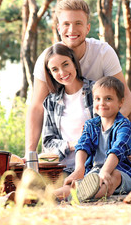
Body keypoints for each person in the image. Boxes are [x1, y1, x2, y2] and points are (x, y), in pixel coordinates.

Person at [26, 0, 131, 167]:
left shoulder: (103, 52)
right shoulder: (48, 59)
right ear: (58, 27)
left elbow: (125, 97)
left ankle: (126, 162)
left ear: (88, 27)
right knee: (43, 167)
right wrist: (29, 155)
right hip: (66, 131)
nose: (72, 29)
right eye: (66, 24)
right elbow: (37, 107)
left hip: (100, 119)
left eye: (78, 23)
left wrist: (105, 129)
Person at [54, 76, 131, 201]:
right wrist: (79, 169)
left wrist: (105, 171)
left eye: (108, 99)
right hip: (94, 174)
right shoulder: (91, 124)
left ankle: (79, 196)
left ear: (121, 102)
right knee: (75, 183)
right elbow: (82, 146)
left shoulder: (124, 125)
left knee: (113, 175)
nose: (102, 103)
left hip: (121, 173)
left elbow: (118, 149)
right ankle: (42, 197)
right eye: (97, 99)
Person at [42, 43, 95, 174]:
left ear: (74, 62)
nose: (62, 73)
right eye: (55, 69)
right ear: (50, 73)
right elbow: (47, 144)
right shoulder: (51, 101)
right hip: (62, 169)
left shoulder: (96, 91)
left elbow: (113, 127)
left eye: (65, 64)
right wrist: (72, 145)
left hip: (93, 166)